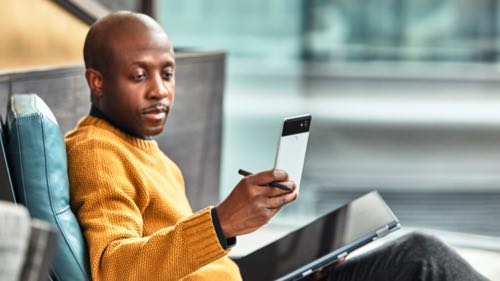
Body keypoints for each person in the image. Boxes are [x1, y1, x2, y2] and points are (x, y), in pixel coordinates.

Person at [65, 11, 489, 281]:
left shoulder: (142, 147)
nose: (160, 91)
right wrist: (220, 222)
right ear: (97, 81)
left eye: (168, 74)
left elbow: (195, 266)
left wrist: (289, 266)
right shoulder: (98, 152)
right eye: (139, 76)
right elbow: (114, 268)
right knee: (422, 259)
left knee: (416, 256)